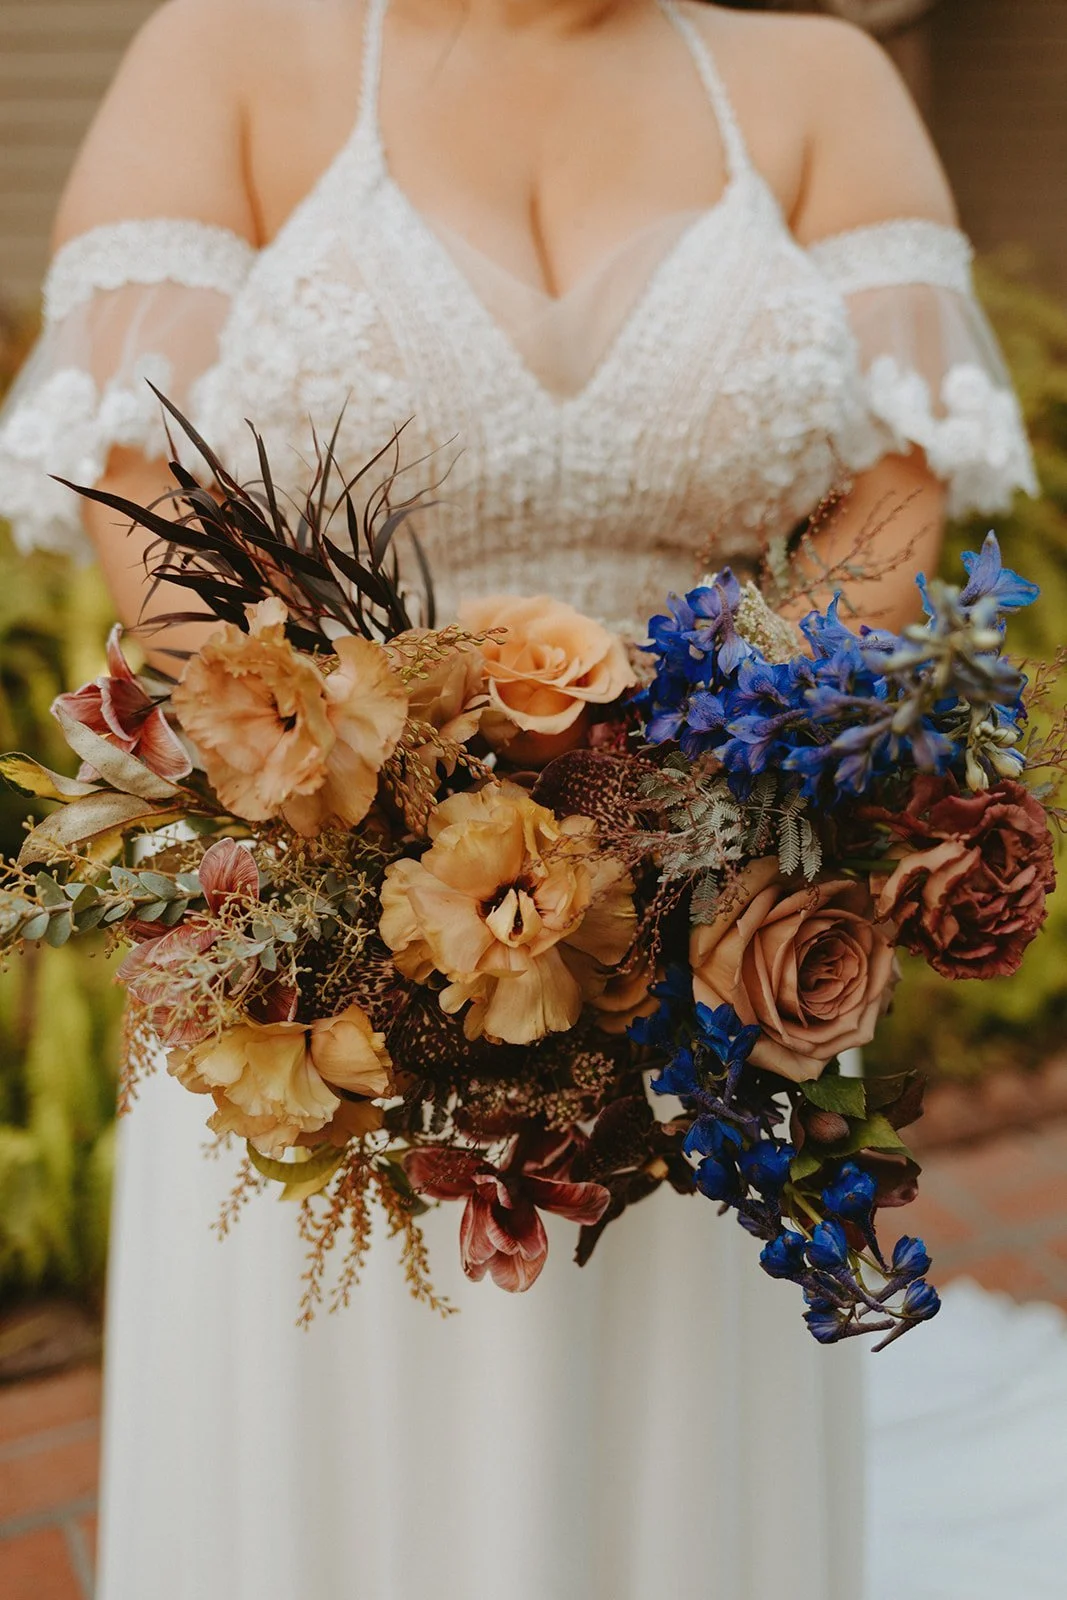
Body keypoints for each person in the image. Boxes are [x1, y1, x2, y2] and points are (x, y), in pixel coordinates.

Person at [0, 2, 1039, 1596]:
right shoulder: (223, 53)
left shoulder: (819, 81)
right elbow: (144, 485)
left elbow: (895, 488)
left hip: (706, 922)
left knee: (678, 1474)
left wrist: (693, 800)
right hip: (324, 948)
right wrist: (375, 824)